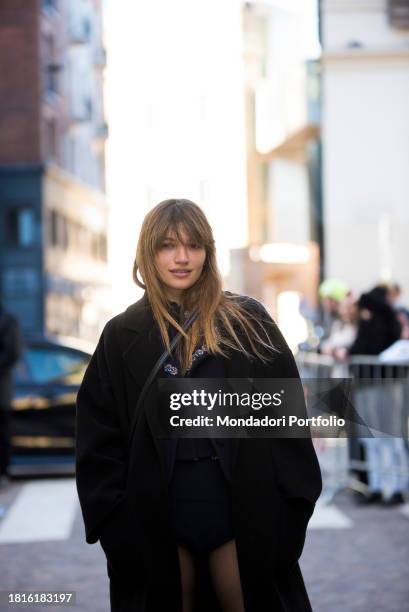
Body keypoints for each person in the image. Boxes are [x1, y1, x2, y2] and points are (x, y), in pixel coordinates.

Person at [75, 199, 322, 612]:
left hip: (241, 507)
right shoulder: (121, 335)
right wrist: (119, 532)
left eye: (194, 245)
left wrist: (288, 520)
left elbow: (288, 426)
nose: (182, 258)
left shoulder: (248, 320)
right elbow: (98, 443)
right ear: (147, 253)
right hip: (157, 514)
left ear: (209, 251)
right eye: (168, 245)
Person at [0, 301, 23, 488]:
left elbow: (13, 352)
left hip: (1, 390)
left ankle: (3, 473)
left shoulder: (7, 320)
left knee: (2, 432)